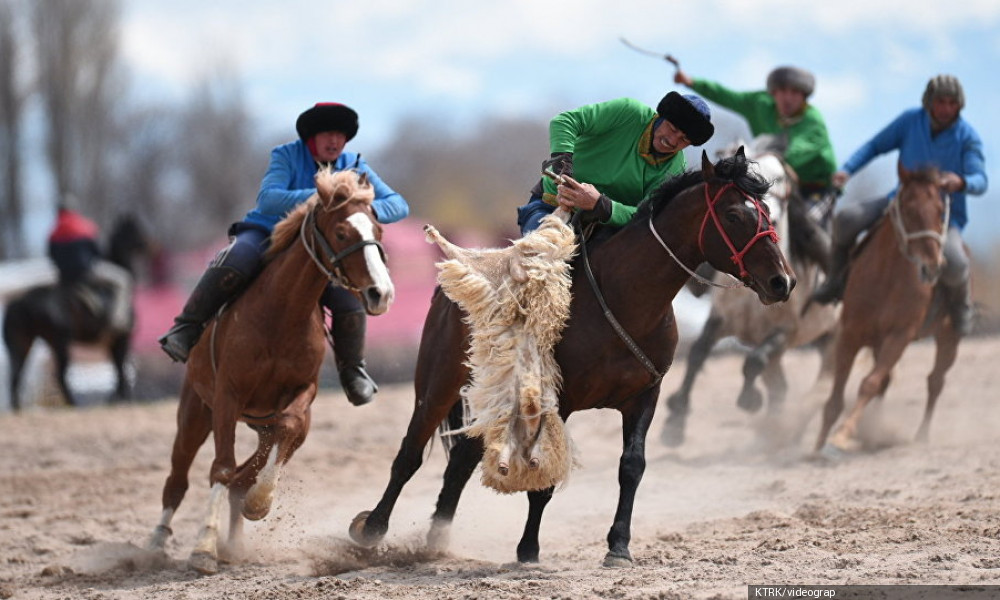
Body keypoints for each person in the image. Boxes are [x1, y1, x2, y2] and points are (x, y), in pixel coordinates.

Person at [158, 102, 409, 406]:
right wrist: (324, 194)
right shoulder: (286, 155)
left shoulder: (355, 164)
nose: (334, 141)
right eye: (327, 134)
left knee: (348, 294)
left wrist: (362, 208)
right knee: (237, 258)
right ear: (311, 138)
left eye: (340, 135)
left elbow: (399, 204)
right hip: (269, 233)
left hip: (322, 247)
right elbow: (268, 200)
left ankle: (353, 370)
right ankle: (187, 327)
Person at [811, 75, 987, 336]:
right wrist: (847, 170)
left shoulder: (968, 137)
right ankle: (836, 281)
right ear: (929, 102)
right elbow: (874, 146)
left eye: (952, 103)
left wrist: (961, 181)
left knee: (957, 262)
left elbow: (981, 179)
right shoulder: (909, 122)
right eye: (941, 101)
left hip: (941, 218)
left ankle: (961, 310)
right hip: (900, 205)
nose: (946, 108)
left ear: (959, 105)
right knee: (846, 220)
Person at [674, 66, 838, 272]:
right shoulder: (760, 104)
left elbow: (796, 151)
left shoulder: (813, 122)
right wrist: (693, 83)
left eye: (795, 93)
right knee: (740, 214)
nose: (787, 98)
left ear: (804, 97)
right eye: (782, 91)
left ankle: (834, 280)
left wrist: (760, 157)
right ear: (773, 93)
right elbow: (729, 97)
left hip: (813, 188)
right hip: (774, 178)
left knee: (806, 228)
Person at [516, 91, 714, 234]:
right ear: (660, 117)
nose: (672, 141)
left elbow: (650, 214)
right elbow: (564, 122)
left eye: (683, 140)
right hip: (550, 205)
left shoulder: (676, 168)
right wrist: (563, 169)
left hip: (605, 229)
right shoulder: (628, 112)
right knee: (536, 264)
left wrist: (600, 205)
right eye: (671, 128)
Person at [48, 202, 133, 332]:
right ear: (74, 210)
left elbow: (51, 256)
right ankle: (118, 321)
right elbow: (97, 253)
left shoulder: (53, 233)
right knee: (123, 279)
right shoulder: (84, 227)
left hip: (64, 278)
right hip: (86, 274)